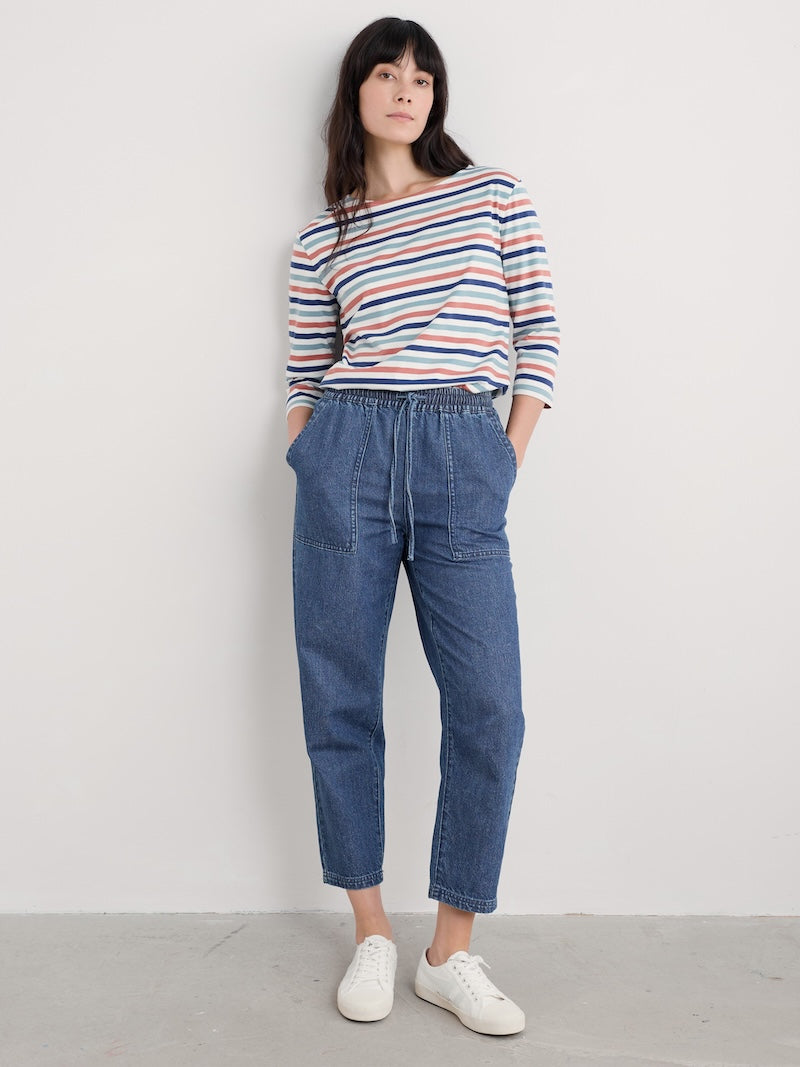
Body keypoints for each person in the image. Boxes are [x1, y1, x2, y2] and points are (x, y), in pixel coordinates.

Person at [284, 16, 560, 1036]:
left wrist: (503, 458)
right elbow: (305, 373)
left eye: (422, 76)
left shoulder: (491, 194)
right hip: (344, 452)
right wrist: (310, 448)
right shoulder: (322, 237)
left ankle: (450, 949)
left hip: (460, 449)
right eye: (386, 73)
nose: (406, 89)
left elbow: (537, 331)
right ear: (355, 92)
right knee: (340, 695)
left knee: (489, 705)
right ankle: (369, 925)